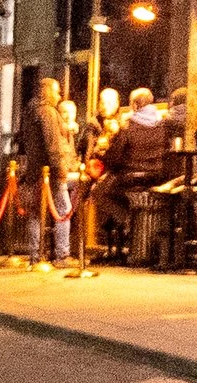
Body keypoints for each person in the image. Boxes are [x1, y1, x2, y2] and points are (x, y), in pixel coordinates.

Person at [93, 89, 172, 260]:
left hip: (129, 179)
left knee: (99, 193)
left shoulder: (129, 126)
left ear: (135, 105)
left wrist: (102, 155)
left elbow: (114, 158)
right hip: (154, 178)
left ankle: (127, 221)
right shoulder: (162, 124)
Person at [19, 73, 81, 265]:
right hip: (50, 172)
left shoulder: (30, 112)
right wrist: (59, 169)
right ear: (47, 92)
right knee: (63, 208)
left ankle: (35, 254)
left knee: (36, 212)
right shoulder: (48, 112)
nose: (59, 96)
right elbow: (52, 145)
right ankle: (62, 254)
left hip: (34, 171)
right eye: (57, 92)